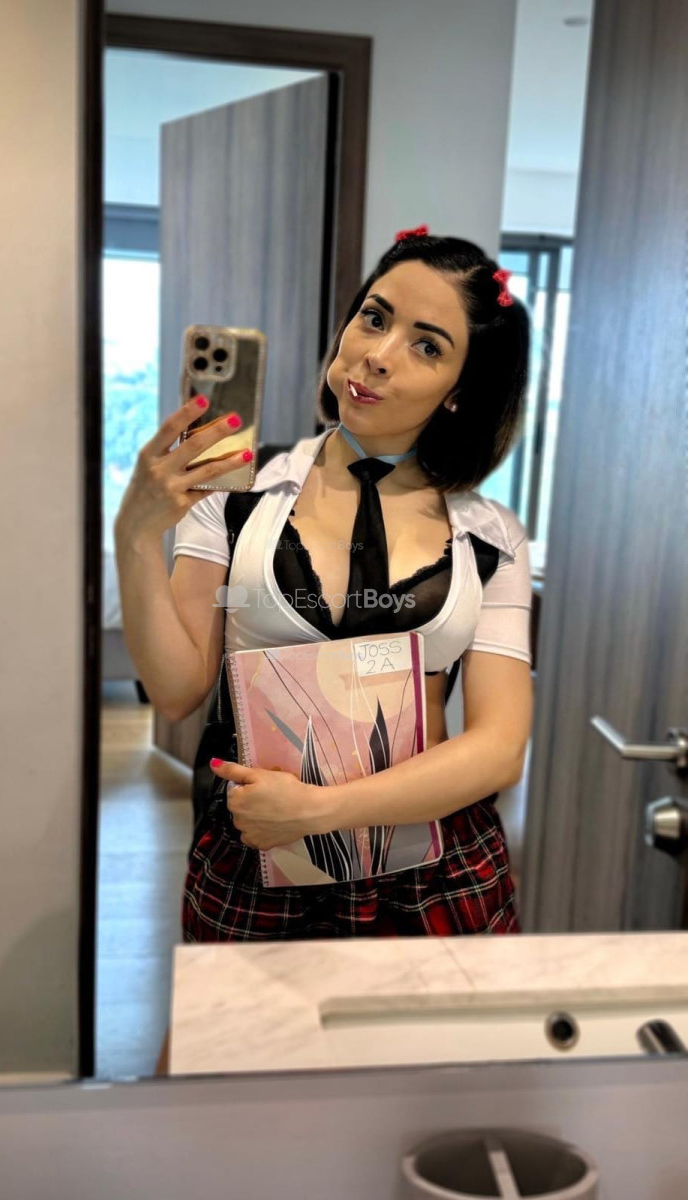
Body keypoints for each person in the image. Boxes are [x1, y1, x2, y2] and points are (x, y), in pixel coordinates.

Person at [115, 230, 533, 970]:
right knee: (235, 1045)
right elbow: (176, 690)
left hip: (433, 871)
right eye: (375, 317)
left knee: (434, 1051)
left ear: (460, 389)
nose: (378, 354)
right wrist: (135, 536)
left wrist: (321, 811)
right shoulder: (235, 496)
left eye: (427, 346)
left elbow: (500, 746)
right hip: (258, 860)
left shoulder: (490, 536)